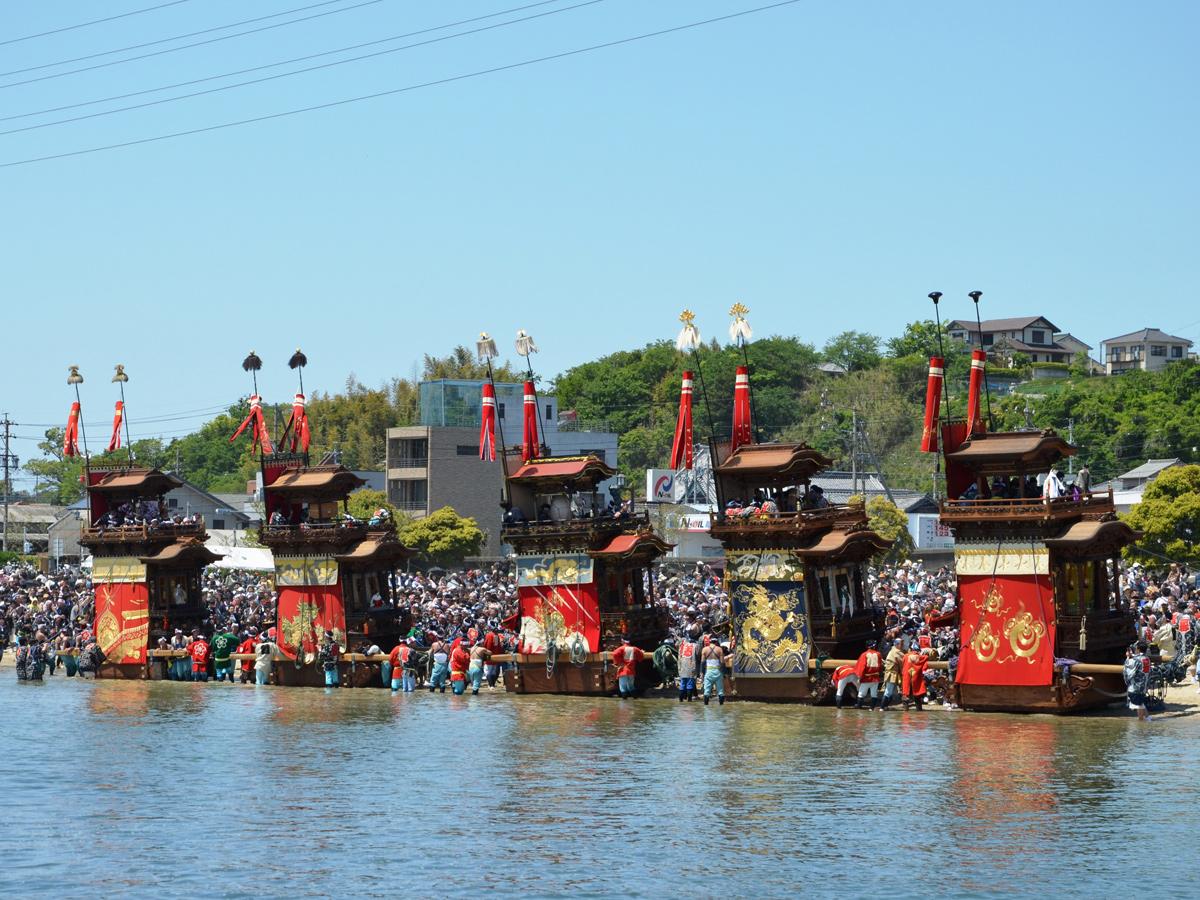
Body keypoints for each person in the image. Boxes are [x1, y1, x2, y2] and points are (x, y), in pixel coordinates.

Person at [1124, 641, 1153, 722]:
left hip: (1136, 687)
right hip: (1144, 686)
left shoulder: (1135, 660)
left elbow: (1128, 670)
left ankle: (1141, 722)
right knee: (1141, 703)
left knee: (1138, 705)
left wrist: (1127, 658)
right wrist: (1131, 656)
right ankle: (1148, 718)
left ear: (1137, 649)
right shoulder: (1147, 658)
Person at [853, 640, 883, 710]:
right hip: (875, 678)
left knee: (861, 694)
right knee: (874, 694)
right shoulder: (878, 654)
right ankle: (872, 708)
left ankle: (859, 707)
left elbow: (861, 667)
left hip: (866, 678)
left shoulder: (864, 655)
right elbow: (881, 666)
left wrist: (859, 677)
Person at [902, 643, 928, 710]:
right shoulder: (919, 657)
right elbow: (926, 657)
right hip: (915, 677)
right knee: (917, 695)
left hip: (907, 677)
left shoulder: (905, 656)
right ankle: (919, 711)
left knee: (906, 695)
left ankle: (905, 711)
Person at [700, 636, 725, 705]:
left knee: (707, 691)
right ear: (716, 642)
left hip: (708, 672)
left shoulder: (704, 649)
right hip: (718, 671)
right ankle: (721, 707)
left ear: (710, 642)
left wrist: (702, 672)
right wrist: (724, 673)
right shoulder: (719, 649)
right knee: (720, 691)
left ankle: (706, 707)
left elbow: (702, 662)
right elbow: (722, 662)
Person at [880, 639, 905, 710]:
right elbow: (903, 662)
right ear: (897, 644)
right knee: (888, 692)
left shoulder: (893, 650)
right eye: (901, 643)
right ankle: (882, 707)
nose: (902, 645)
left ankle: (885, 706)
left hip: (893, 673)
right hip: (891, 674)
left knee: (891, 692)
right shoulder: (896, 652)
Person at [676, 634, 699, 702]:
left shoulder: (682, 646)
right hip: (691, 666)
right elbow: (698, 655)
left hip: (682, 667)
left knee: (682, 683)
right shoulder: (695, 646)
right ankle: (689, 700)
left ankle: (681, 700)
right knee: (690, 684)